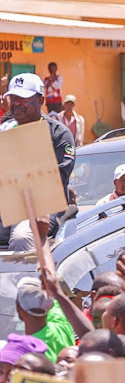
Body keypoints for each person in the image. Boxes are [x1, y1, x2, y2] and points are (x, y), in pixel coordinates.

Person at [0, 73, 75, 251]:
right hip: (6, 205)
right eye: (13, 98)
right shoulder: (4, 129)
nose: (16, 103)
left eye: (23, 98)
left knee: (21, 237)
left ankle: (28, 279)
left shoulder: (58, 133)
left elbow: (56, 179)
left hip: (40, 207)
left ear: (40, 100)